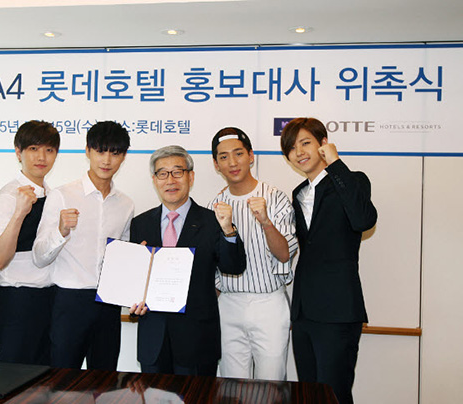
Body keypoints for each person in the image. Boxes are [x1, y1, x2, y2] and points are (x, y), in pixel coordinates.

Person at [280, 117, 377, 404]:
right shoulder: (299, 193)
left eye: (305, 143)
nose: (299, 152)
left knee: (334, 394)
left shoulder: (352, 180)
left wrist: (335, 163)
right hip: (304, 310)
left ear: (323, 143)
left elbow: (364, 220)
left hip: (338, 309)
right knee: (308, 393)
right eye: (291, 148)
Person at [129, 145, 246, 376]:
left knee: (197, 395)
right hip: (153, 340)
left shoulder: (213, 221)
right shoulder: (140, 224)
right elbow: (135, 283)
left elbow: (233, 267)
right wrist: (133, 301)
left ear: (191, 177)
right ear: (154, 180)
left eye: (177, 172)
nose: (170, 180)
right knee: (152, 395)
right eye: (162, 173)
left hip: (197, 341)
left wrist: (229, 231)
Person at [33, 120, 134, 371]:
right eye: (100, 151)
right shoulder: (62, 195)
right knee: (63, 380)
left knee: (105, 380)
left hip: (109, 303)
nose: (107, 160)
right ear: (87, 151)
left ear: (124, 157)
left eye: (115, 153)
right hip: (70, 301)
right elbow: (39, 256)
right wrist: (60, 231)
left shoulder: (126, 204)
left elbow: (123, 260)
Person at [208, 127, 297, 380]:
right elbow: (212, 266)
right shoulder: (214, 206)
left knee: (271, 383)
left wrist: (265, 221)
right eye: (223, 157)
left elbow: (284, 255)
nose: (232, 162)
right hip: (228, 304)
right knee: (231, 386)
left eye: (238, 153)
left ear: (250, 156)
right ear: (216, 164)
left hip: (269, 302)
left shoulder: (275, 198)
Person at [0, 120, 60, 365]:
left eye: (49, 150)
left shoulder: (55, 197)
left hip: (51, 299)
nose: (42, 157)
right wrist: (20, 212)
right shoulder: (9, 196)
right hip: (18, 301)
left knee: (47, 380)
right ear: (18, 152)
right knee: (14, 378)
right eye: (33, 149)